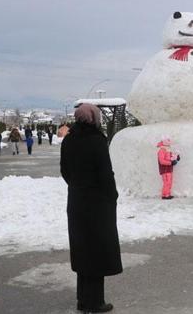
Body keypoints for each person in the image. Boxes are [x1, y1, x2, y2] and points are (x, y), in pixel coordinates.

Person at [61, 103, 121, 313]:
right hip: (97, 205)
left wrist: (77, 187)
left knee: (82, 250)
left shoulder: (69, 139)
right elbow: (106, 174)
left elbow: (64, 170)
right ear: (94, 118)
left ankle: (82, 299)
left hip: (77, 201)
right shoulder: (96, 140)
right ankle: (95, 302)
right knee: (97, 251)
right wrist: (112, 196)